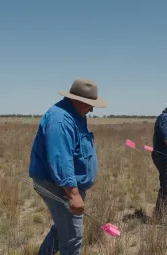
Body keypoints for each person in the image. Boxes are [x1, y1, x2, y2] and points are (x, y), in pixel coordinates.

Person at [28, 79, 108, 255]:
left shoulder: (77, 115)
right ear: (78, 100)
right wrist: (73, 193)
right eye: (90, 104)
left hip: (66, 185)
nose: (92, 109)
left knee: (62, 229)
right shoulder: (60, 120)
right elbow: (60, 158)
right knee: (72, 239)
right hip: (57, 185)